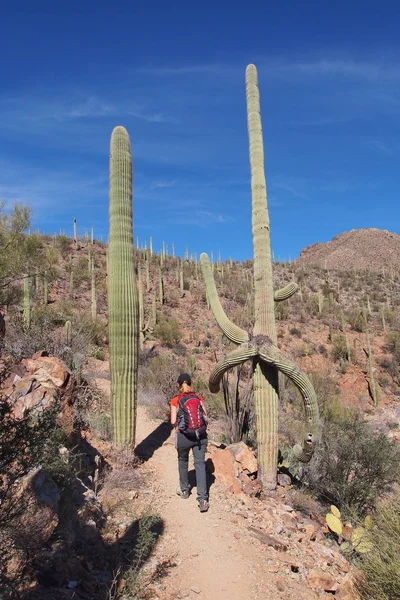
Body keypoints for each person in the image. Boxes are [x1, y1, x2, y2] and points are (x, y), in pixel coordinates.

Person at [170, 373, 209, 513]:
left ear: (178, 385)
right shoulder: (198, 398)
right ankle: (203, 499)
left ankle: (185, 490)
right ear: (191, 383)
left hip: (184, 436)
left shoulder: (176, 400)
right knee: (200, 464)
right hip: (200, 436)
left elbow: (173, 421)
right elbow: (205, 416)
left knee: (183, 461)